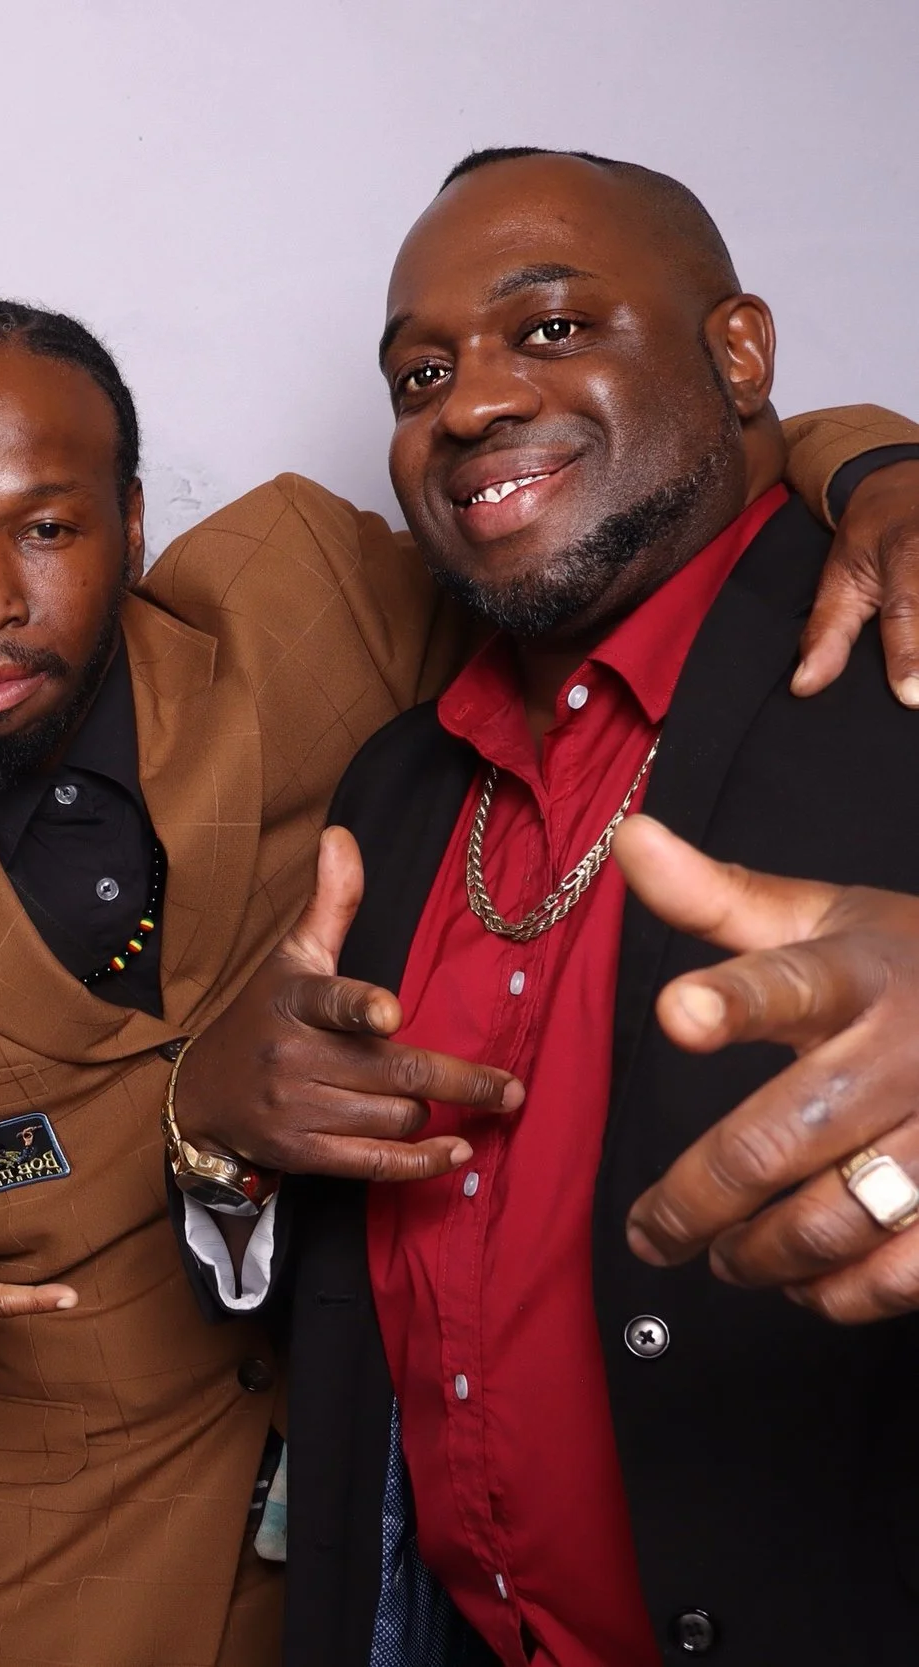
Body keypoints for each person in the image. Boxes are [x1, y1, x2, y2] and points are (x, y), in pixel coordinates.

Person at [0, 290, 919, 1665]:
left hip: (392, 1554)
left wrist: (871, 463)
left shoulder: (299, 599)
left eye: (47, 526)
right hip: (38, 1602)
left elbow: (618, 496)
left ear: (134, 521)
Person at [168, 147, 919, 1665]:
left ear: (739, 352)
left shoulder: (902, 662)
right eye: (420, 373)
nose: (469, 402)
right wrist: (218, 1130)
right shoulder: (394, 783)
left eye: (553, 328)